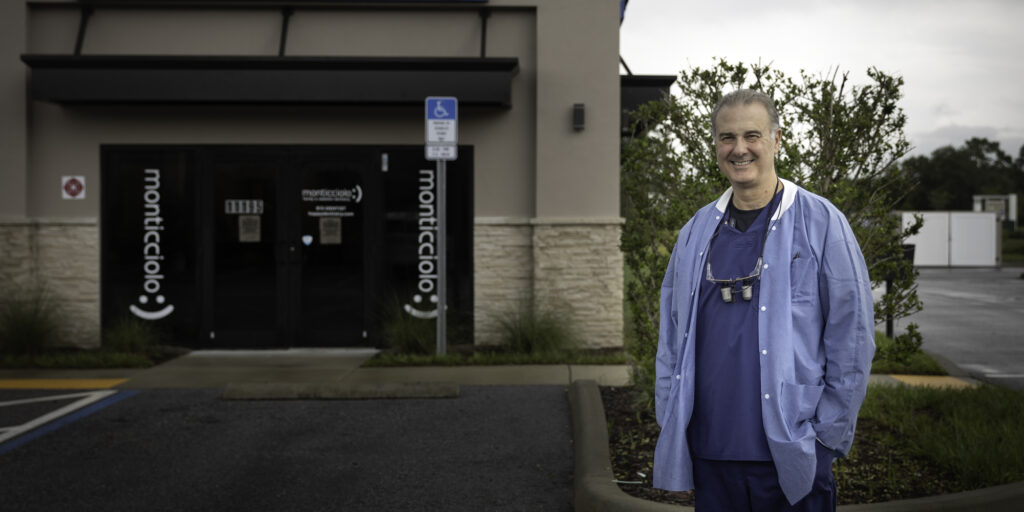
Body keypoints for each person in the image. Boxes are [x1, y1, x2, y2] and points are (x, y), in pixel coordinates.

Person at [652, 89, 875, 511]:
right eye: (726, 138)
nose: (739, 149)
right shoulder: (696, 232)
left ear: (776, 140)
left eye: (752, 135)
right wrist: (671, 418)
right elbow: (671, 335)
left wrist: (827, 436)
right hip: (711, 450)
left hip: (794, 449)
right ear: (715, 146)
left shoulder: (822, 222)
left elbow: (854, 335)